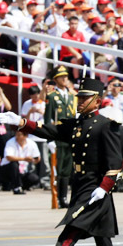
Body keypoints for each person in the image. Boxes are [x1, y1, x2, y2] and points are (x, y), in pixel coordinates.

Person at [0, 78, 123, 246]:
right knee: (101, 236)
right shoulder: (76, 124)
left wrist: (105, 187)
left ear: (97, 101)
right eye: (80, 97)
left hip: (95, 186)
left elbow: (116, 162)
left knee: (74, 225)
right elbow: (47, 130)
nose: (80, 102)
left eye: (85, 98)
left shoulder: (105, 125)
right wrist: (21, 121)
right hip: (81, 183)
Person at [44, 66, 76, 205]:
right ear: (56, 79)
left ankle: (64, 197)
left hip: (70, 135)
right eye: (61, 77)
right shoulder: (52, 97)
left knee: (67, 168)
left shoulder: (72, 96)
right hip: (58, 135)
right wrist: (49, 139)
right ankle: (59, 198)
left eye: (66, 76)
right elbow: (47, 120)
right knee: (59, 168)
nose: (64, 79)